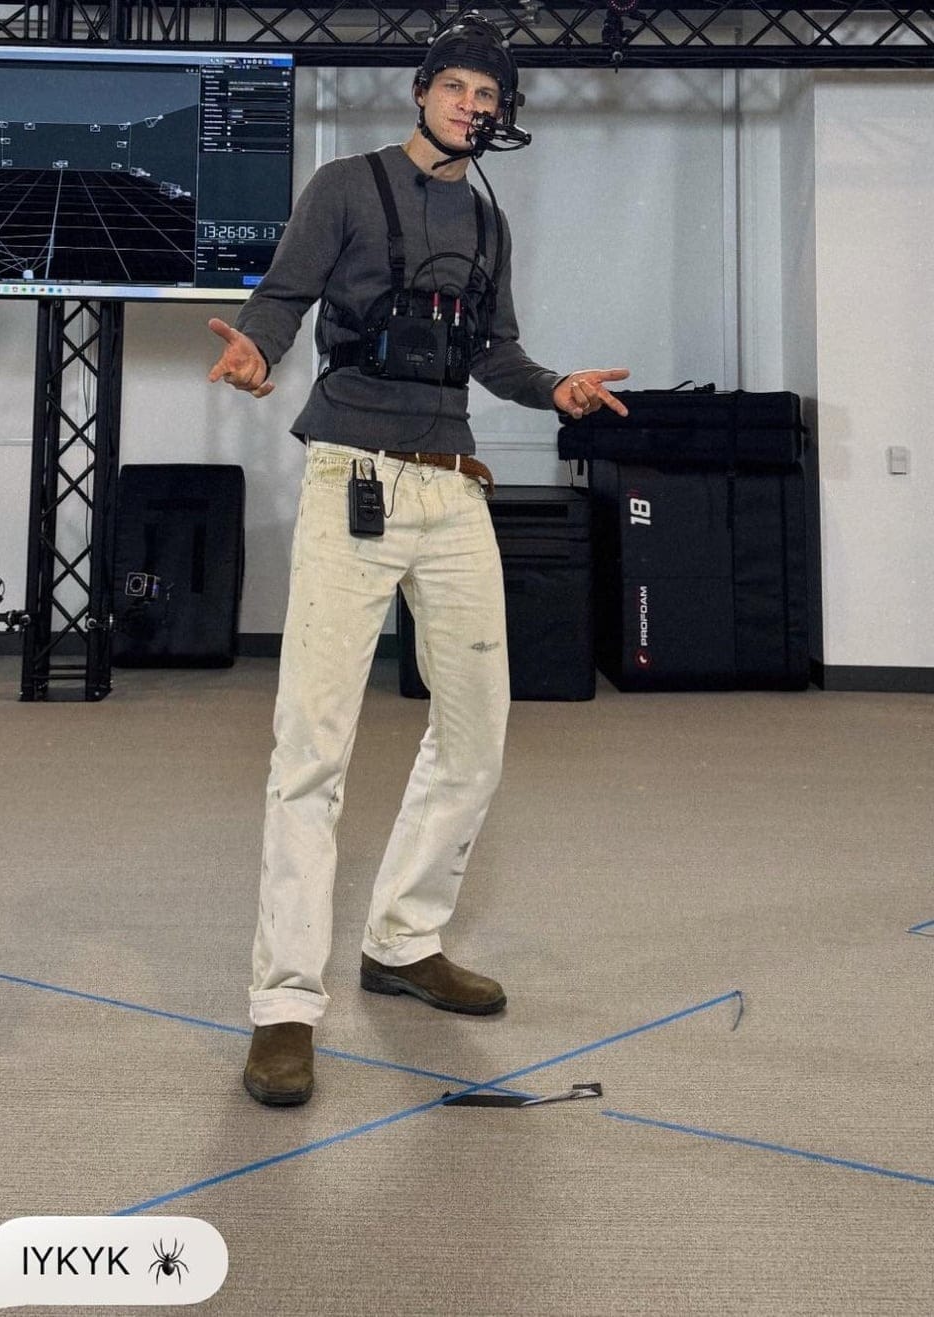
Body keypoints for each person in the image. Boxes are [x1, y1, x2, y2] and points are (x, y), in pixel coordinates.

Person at [207, 11, 630, 1106]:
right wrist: (256, 347)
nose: (473, 107)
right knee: (313, 749)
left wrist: (558, 390)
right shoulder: (346, 186)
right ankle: (284, 1008)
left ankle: (402, 940)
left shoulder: (489, 223)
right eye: (457, 89)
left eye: (489, 98)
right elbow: (285, 298)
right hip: (351, 469)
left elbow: (497, 353)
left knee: (478, 729)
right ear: (422, 93)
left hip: (452, 486)